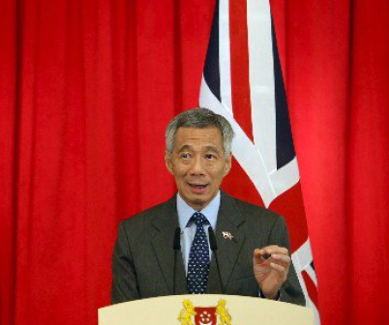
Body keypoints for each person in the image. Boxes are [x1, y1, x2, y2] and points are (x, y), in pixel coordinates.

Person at [111, 107, 305, 306]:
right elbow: (123, 324)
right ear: (169, 162)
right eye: (186, 156)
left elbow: (295, 316)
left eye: (209, 156)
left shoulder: (266, 228)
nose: (197, 169)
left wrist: (272, 295)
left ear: (227, 163)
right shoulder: (133, 235)